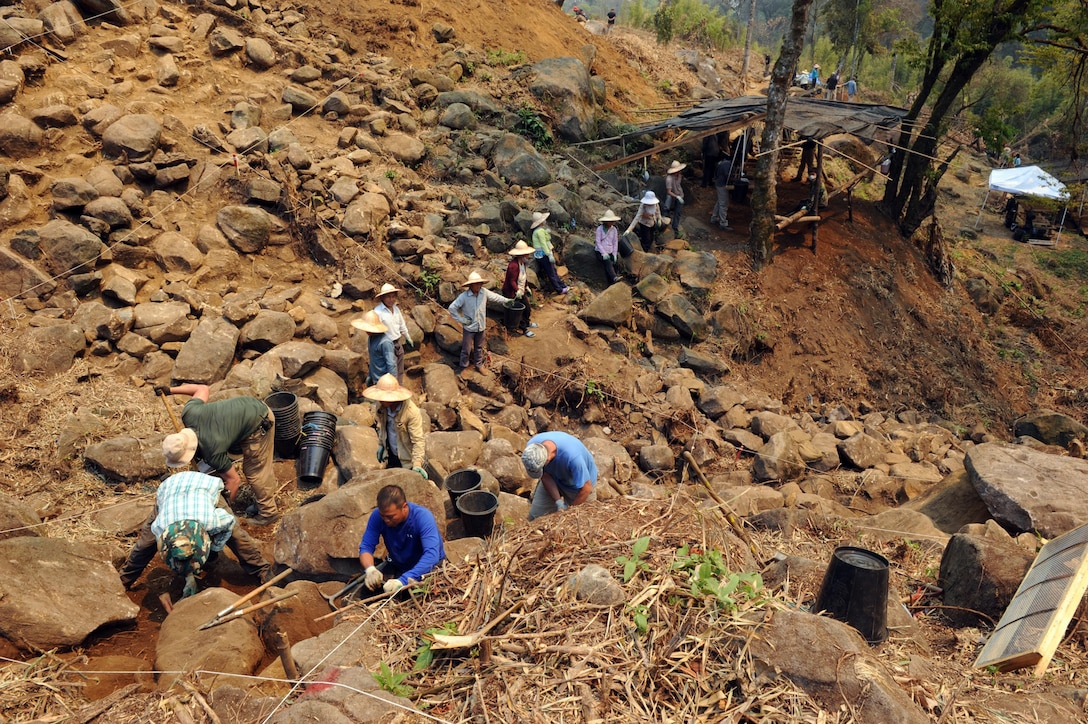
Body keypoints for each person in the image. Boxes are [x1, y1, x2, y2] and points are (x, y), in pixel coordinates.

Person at [119, 471, 270, 595]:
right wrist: (189, 576)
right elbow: (177, 550)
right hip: (170, 490)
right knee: (145, 544)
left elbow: (229, 524)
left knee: (237, 536)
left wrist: (215, 549)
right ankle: (123, 581)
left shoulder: (211, 521)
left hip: (204, 487)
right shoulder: (159, 527)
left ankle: (262, 570)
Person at [160, 384, 279, 525]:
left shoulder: (212, 451)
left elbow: (234, 481)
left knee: (255, 470)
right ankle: (262, 502)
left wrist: (223, 507)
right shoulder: (189, 413)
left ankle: (268, 512)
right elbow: (202, 389)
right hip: (247, 406)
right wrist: (170, 390)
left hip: (259, 421)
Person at [359, 484, 445, 593]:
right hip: (402, 566)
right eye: (383, 516)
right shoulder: (377, 516)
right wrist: (370, 569)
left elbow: (432, 555)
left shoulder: (422, 518)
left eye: (390, 516)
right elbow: (366, 546)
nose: (386, 520)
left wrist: (403, 581)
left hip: (430, 569)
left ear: (404, 507)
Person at [522, 431, 598, 520]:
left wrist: (569, 513)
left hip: (580, 485)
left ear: (548, 460)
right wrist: (558, 501)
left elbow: (586, 488)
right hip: (554, 478)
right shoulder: (532, 449)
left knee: (581, 522)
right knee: (535, 517)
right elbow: (545, 476)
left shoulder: (573, 458)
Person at [448, 270, 510, 376]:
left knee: (479, 347)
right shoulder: (464, 297)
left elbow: (495, 297)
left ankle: (479, 365)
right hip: (469, 328)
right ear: (471, 285)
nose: (479, 286)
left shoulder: (484, 292)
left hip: (481, 327)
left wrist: (507, 300)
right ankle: (463, 367)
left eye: (480, 283)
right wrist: (461, 320)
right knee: (466, 349)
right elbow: (452, 308)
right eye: (476, 284)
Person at [364, 374, 427, 478]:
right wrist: (381, 444)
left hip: (407, 459)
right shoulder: (381, 407)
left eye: (383, 398)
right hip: (391, 453)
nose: (380, 400)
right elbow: (382, 426)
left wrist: (417, 464)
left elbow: (418, 441)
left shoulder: (411, 412)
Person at [373, 283, 412, 382]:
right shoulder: (378, 312)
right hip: (386, 346)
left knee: (400, 370)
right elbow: (375, 330)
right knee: (390, 371)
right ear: (382, 298)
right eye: (388, 297)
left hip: (398, 343)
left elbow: (402, 324)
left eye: (393, 297)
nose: (391, 299)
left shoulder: (396, 309)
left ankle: (399, 390)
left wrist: (407, 337)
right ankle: (390, 392)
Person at [501, 240, 540, 337]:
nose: (528, 256)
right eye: (527, 255)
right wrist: (517, 290)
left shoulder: (522, 264)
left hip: (521, 290)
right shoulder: (513, 266)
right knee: (520, 311)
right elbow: (512, 281)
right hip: (512, 292)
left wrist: (526, 286)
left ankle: (527, 323)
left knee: (527, 309)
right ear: (522, 255)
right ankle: (524, 329)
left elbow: (523, 276)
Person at [353, 310, 396, 386]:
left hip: (384, 382)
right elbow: (373, 359)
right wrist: (370, 375)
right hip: (375, 379)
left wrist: (392, 383)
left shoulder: (385, 343)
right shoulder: (371, 338)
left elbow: (391, 364)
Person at [530, 211, 569, 295]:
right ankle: (559, 289)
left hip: (541, 254)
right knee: (551, 272)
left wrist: (547, 233)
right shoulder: (539, 231)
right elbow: (543, 243)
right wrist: (548, 254)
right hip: (543, 254)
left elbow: (546, 239)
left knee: (553, 271)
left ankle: (562, 285)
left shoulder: (539, 231)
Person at [594, 210, 621, 284]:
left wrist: (614, 254)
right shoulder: (599, 229)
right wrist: (603, 253)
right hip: (600, 252)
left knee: (615, 262)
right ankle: (614, 278)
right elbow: (598, 242)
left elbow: (615, 242)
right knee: (608, 262)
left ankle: (613, 280)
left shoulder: (614, 229)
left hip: (610, 251)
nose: (612, 222)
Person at [710, 154, 733, 230]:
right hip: (722, 184)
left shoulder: (722, 163)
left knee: (720, 201)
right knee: (724, 203)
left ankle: (714, 217)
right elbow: (727, 175)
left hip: (719, 183)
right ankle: (723, 222)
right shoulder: (727, 164)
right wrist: (732, 181)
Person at [664, 160, 686, 235]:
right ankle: (665, 223)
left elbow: (678, 186)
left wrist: (679, 196)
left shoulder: (679, 176)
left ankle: (675, 226)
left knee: (678, 212)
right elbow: (669, 191)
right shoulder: (669, 179)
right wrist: (676, 196)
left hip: (679, 193)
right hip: (672, 195)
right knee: (667, 206)